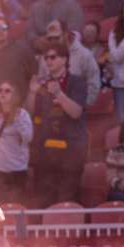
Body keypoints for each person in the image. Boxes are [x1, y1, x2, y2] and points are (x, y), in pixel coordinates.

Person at [26, 43, 87, 207]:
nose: (48, 61)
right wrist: (32, 93)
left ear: (64, 59)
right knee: (44, 198)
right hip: (46, 150)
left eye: (53, 57)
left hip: (72, 149)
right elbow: (32, 113)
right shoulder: (42, 84)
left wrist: (59, 94)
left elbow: (76, 112)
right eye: (46, 58)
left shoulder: (77, 82)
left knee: (66, 199)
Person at [38, 20, 101, 108]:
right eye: (50, 39)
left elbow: (94, 84)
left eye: (57, 38)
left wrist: (82, 105)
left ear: (66, 34)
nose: (53, 41)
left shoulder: (84, 55)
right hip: (50, 111)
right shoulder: (46, 56)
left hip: (75, 111)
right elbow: (41, 80)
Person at [0, 14, 36, 106]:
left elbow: (34, 76)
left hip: (18, 107)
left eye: (4, 27)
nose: (1, 31)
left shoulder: (22, 50)